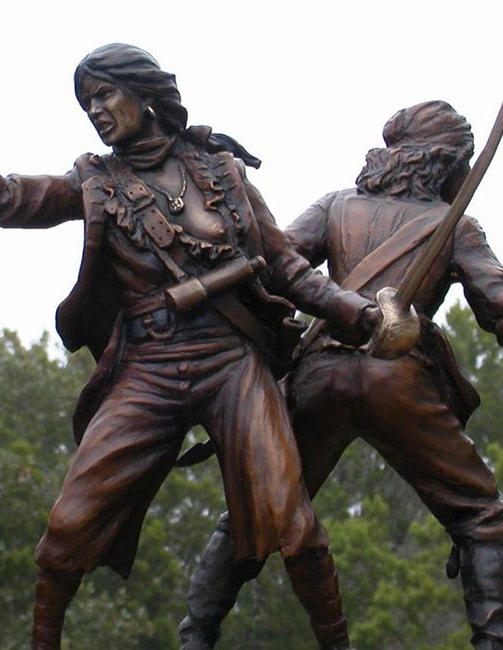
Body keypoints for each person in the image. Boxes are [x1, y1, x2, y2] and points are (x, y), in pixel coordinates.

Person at [0, 44, 378, 650]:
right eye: (86, 103)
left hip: (232, 362)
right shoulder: (95, 183)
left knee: (293, 523)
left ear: (144, 93)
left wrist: (352, 309)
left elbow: (286, 266)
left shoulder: (223, 172)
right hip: (149, 368)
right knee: (66, 530)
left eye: (104, 95)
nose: (94, 111)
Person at [179, 100, 503, 650]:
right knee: (480, 516)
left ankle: (195, 638)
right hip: (399, 381)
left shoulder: (335, 206)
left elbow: (272, 266)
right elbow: (496, 302)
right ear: (446, 165)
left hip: (321, 374)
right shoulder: (458, 227)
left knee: (258, 505)